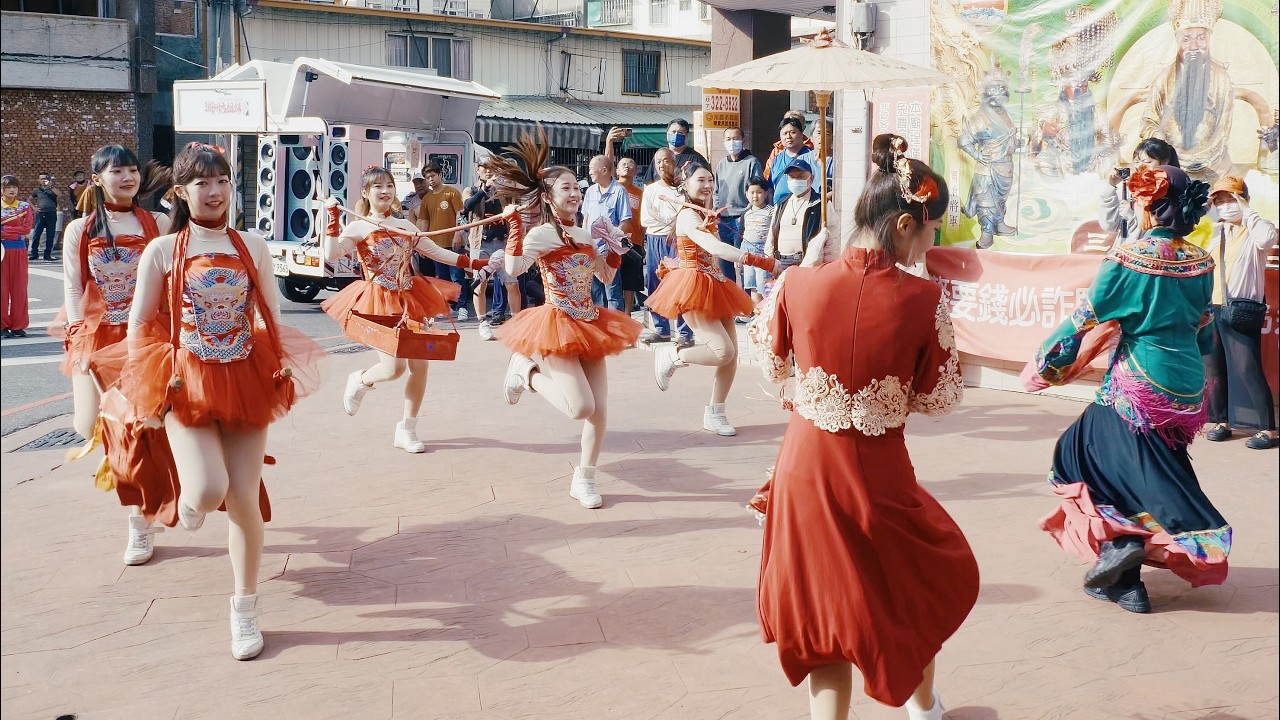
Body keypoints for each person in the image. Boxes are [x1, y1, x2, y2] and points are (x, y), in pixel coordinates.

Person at [747, 145, 974, 720]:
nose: (931, 244)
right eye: (930, 231)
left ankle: (912, 709)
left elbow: (774, 367)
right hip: (875, 473)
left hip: (804, 469)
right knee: (910, 592)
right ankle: (924, 709)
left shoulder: (799, 281)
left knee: (823, 614)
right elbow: (936, 397)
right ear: (903, 225)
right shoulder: (924, 299)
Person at [120, 142, 324, 659]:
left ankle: (244, 607)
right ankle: (185, 499)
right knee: (209, 489)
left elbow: (270, 315)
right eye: (202, 183)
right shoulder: (163, 251)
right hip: (183, 379)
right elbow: (139, 325)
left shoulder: (252, 245)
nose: (214, 192)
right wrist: (140, 387)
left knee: (243, 496)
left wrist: (276, 363)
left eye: (222, 181)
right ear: (182, 193)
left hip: (245, 373)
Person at [1026, 164, 1230, 614]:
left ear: (1148, 205)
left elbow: (1084, 320)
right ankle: (1123, 572)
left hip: (1139, 381)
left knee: (1077, 453)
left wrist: (1046, 364)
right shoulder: (1201, 262)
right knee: (1137, 463)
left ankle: (1124, 556)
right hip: (1184, 382)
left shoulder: (1128, 260)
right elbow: (1203, 330)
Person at [489, 131, 643, 509]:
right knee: (579, 408)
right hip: (556, 323)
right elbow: (513, 267)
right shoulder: (542, 233)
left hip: (590, 320)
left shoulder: (584, 230)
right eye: (565, 188)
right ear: (548, 196)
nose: (574, 193)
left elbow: (604, 277)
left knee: (600, 409)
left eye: (577, 186)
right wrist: (513, 226)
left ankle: (584, 478)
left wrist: (616, 251)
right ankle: (525, 372)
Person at [322, 166, 496, 453]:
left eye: (389, 185)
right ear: (366, 192)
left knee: (420, 366)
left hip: (410, 298)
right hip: (378, 300)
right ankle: (361, 379)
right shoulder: (358, 226)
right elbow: (331, 254)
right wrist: (332, 219)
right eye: (377, 186)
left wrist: (476, 264)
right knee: (393, 369)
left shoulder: (405, 226)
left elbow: (437, 252)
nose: (385, 191)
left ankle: (407, 428)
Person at [57, 145, 172, 565]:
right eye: (116, 171)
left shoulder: (156, 222)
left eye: (131, 170)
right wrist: (79, 339)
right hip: (96, 334)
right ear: (98, 178)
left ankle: (139, 522)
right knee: (89, 425)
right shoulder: (79, 230)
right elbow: (72, 287)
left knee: (133, 427)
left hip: (143, 337)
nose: (127, 178)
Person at [647, 163, 776, 437]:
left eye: (710, 180)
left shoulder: (701, 213)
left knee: (731, 356)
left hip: (715, 282)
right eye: (700, 180)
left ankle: (715, 413)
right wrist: (762, 262)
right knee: (722, 351)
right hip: (692, 284)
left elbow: (714, 253)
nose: (706, 185)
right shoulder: (687, 216)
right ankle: (673, 353)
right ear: (685, 182)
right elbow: (716, 248)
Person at [1203, 175, 1279, 450]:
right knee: (1213, 369)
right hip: (1213, 309)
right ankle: (1221, 421)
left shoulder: (1256, 229)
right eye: (1220, 201)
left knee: (1248, 368)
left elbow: (1267, 239)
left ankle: (1268, 429)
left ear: (1244, 199)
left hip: (1241, 309)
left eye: (1230, 199)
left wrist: (1247, 212)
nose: (1225, 206)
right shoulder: (1219, 233)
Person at [1138, 1, 1233, 180]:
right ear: (1177, 41)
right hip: (1169, 163)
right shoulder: (1164, 78)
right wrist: (1160, 139)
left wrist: (1204, 156)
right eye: (1187, 39)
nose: (1194, 46)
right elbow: (1148, 121)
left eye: (1201, 38)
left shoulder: (1221, 78)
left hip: (1212, 164)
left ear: (1209, 39)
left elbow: (1223, 127)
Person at [960, 62, 1018, 249]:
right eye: (994, 87)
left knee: (1000, 201)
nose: (998, 91)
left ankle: (999, 224)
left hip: (1006, 166)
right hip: (988, 168)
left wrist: (1017, 143)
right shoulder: (981, 116)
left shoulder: (1005, 113)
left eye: (1002, 87)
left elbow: (1009, 139)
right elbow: (963, 141)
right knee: (987, 201)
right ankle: (987, 232)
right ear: (986, 90)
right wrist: (976, 154)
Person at [639, 148, 692, 346]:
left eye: (667, 161)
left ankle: (685, 332)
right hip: (655, 239)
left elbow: (685, 213)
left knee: (679, 284)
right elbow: (646, 218)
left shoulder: (682, 189)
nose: (662, 165)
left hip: (676, 239)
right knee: (655, 283)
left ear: (674, 162)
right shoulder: (651, 190)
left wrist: (675, 226)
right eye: (658, 162)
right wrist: (668, 223)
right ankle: (661, 329)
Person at [464, 161, 520, 341]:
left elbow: (517, 204)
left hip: (503, 243)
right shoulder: (471, 190)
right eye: (484, 168)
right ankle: (483, 322)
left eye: (492, 169)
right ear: (477, 170)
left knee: (511, 283)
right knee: (480, 283)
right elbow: (467, 206)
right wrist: (484, 189)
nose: (488, 172)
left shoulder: (504, 191)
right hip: (480, 243)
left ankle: (516, 323)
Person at [410, 163, 470, 319]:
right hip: (436, 246)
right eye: (428, 177)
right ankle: (448, 307)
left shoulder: (452, 193)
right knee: (443, 278)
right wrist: (421, 244)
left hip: (454, 243)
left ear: (440, 175)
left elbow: (460, 215)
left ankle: (462, 306)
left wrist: (458, 234)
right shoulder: (427, 199)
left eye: (433, 176)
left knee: (457, 276)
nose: (431, 180)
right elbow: (423, 222)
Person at [1099, 137, 1180, 241]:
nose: (1140, 167)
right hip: (1128, 251)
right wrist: (1111, 187)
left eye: (1147, 162)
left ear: (1165, 162)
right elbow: (1109, 225)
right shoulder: (1132, 188)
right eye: (1136, 162)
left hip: (1152, 251)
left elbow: (1154, 232)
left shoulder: (1170, 190)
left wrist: (1130, 212)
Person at [581, 155, 631, 311]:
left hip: (609, 252)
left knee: (613, 293)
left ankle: (616, 332)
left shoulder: (619, 191)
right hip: (591, 251)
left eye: (591, 169)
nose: (589, 172)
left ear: (603, 170)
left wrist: (612, 243)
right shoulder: (590, 192)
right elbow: (586, 219)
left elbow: (625, 221)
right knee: (596, 294)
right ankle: (600, 330)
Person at [714, 127, 762, 282]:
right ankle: (730, 301)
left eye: (735, 138)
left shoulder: (751, 162)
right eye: (728, 139)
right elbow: (716, 191)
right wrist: (716, 210)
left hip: (742, 219)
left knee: (743, 264)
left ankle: (747, 302)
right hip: (723, 220)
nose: (732, 142)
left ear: (743, 141)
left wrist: (747, 213)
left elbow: (756, 190)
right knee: (725, 264)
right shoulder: (721, 164)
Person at [764, 160, 826, 274]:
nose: (796, 180)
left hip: (807, 264)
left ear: (811, 179)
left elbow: (830, 239)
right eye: (792, 177)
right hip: (781, 263)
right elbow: (771, 234)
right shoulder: (781, 203)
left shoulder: (821, 204)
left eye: (801, 177)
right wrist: (770, 259)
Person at [2, 174, 34, 338]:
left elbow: (27, 229)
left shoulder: (24, 207)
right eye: (8, 187)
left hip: (19, 251)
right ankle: (2, 326)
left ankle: (18, 325)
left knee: (19, 288)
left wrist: (6, 233)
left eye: (14, 187)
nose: (12, 190)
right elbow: (20, 232)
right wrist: (16, 234)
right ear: (2, 190)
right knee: (1, 289)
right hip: (1, 252)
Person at [766, 117, 823, 205]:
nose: (788, 137)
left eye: (792, 132)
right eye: (784, 133)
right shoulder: (777, 158)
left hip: (804, 207)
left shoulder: (812, 156)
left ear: (801, 134)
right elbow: (770, 187)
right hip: (779, 209)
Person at [616, 157, 647, 315]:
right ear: (616, 170)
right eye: (623, 164)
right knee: (615, 278)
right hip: (615, 241)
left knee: (631, 281)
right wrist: (609, 142)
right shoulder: (614, 187)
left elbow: (643, 220)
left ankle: (627, 313)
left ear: (636, 170)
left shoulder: (640, 193)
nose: (627, 166)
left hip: (634, 241)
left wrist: (642, 243)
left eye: (631, 164)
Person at [641, 119, 707, 184]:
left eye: (680, 132)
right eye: (673, 132)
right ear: (667, 135)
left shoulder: (696, 159)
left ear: (686, 136)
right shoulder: (659, 156)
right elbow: (647, 183)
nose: (676, 135)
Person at [739, 178, 773, 305]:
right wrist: (739, 255)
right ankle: (757, 314)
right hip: (747, 251)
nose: (755, 196)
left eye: (759, 192)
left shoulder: (771, 211)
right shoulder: (745, 213)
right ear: (746, 194)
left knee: (764, 285)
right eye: (751, 192)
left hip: (763, 252)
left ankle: (767, 313)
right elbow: (741, 234)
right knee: (752, 284)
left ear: (766, 193)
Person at [29, 172, 60, 262]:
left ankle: (47, 254)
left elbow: (60, 195)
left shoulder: (53, 189)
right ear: (39, 180)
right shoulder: (37, 190)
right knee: (36, 234)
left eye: (45, 178)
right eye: (41, 179)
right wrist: (34, 208)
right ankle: (34, 253)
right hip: (40, 214)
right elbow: (29, 199)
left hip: (51, 213)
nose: (43, 181)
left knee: (50, 235)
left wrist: (52, 186)